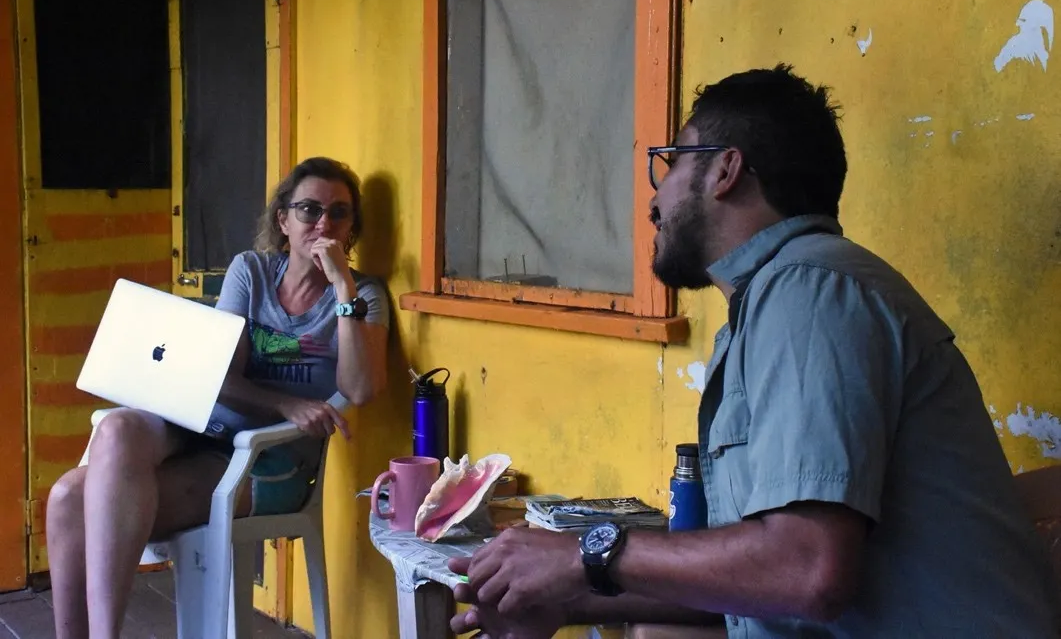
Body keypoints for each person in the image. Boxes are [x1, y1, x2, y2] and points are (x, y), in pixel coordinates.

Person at [448, 65, 1060, 638]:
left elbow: (805, 570)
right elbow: (761, 581)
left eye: (670, 164)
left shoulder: (812, 295)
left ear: (724, 170)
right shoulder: (777, 304)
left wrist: (588, 554)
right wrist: (564, 596)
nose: (654, 202)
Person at [46, 156, 390, 639]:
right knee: (113, 432)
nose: (323, 223)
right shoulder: (250, 272)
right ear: (283, 220)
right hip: (201, 422)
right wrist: (285, 403)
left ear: (352, 227)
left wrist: (341, 289)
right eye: (309, 209)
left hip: (268, 457)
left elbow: (360, 388)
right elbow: (221, 375)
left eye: (339, 213)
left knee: (71, 502)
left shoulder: (364, 293)